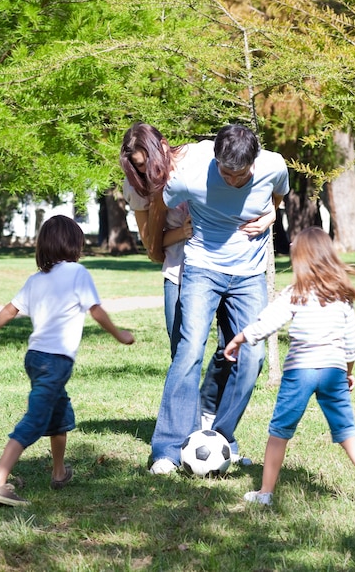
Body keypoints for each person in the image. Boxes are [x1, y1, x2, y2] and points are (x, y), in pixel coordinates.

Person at [149, 123, 290, 474]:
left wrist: (273, 213)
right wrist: (158, 244)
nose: (231, 180)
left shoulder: (274, 165)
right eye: (225, 172)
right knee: (190, 348)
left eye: (238, 174)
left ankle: (219, 438)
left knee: (252, 355)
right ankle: (166, 449)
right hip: (202, 267)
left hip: (249, 274)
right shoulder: (189, 175)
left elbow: (278, 195)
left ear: (254, 162)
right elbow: (156, 203)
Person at [0, 215, 134, 506]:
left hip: (35, 359)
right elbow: (95, 311)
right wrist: (119, 334)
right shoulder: (78, 272)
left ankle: (59, 473)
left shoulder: (36, 279)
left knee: (58, 412)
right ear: (74, 244)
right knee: (34, 420)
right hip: (55, 361)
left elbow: (10, 310)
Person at [224, 226, 355, 506]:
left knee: (279, 431)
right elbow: (351, 344)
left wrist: (241, 338)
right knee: (347, 430)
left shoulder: (296, 292)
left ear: (300, 259)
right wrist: (348, 372)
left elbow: (268, 322)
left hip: (300, 372)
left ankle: (265, 492)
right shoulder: (342, 296)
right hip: (333, 371)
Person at [120, 123, 258, 438]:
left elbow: (253, 174)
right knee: (183, 352)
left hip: (227, 265)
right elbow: (153, 250)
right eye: (139, 167)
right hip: (178, 270)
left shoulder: (202, 154)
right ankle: (189, 432)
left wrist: (270, 214)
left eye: (148, 163)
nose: (147, 171)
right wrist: (174, 223)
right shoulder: (138, 186)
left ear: (164, 145)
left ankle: (209, 409)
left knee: (232, 345)